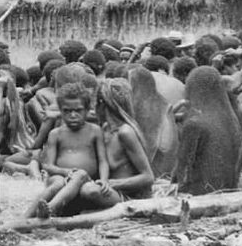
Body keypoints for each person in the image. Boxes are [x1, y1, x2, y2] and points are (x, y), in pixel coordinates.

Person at [25, 83, 110, 218]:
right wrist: (65, 172)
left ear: (87, 110)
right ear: (60, 111)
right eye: (67, 111)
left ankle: (50, 209)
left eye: (78, 110)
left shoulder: (95, 131)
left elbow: (103, 161)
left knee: (80, 174)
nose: (73, 115)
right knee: (59, 181)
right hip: (59, 179)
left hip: (84, 181)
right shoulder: (56, 134)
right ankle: (25, 217)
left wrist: (104, 180)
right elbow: (48, 166)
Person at [176, 66, 242, 195]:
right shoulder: (231, 120)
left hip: (203, 195)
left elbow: (183, 170)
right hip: (231, 192)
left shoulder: (194, 124)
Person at [94, 79, 154, 200]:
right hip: (110, 191)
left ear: (103, 104)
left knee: (90, 191)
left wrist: (112, 184)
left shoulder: (125, 132)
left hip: (126, 196)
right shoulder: (105, 128)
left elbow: (148, 177)